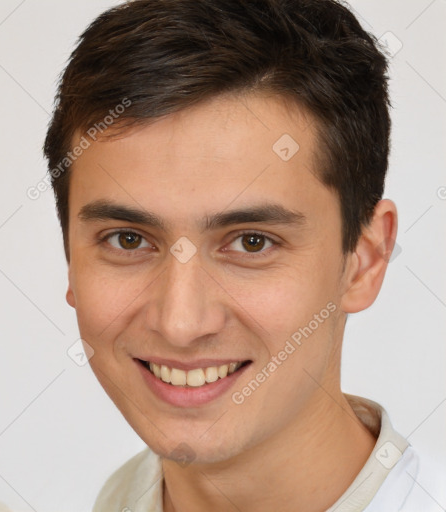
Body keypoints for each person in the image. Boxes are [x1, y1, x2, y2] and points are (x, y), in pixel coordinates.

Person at [43, 0, 445, 510]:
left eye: (251, 242)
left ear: (363, 261)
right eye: (128, 239)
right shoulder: (117, 498)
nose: (180, 323)